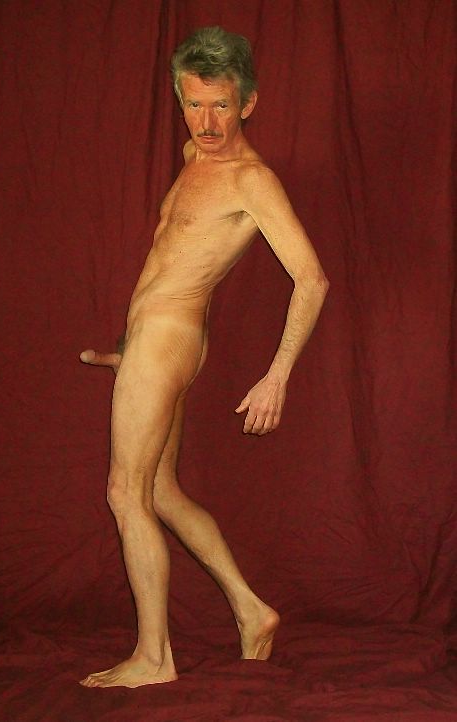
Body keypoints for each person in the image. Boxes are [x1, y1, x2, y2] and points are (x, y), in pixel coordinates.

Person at [79, 26, 329, 688]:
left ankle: (154, 658)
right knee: (159, 492)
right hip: (156, 344)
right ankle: (251, 609)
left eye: (222, 105)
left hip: (170, 340)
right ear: (180, 100)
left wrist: (277, 376)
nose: (208, 123)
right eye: (194, 104)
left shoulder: (252, 180)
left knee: (124, 493)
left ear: (249, 102)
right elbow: (172, 261)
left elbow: (312, 279)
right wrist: (131, 353)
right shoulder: (195, 155)